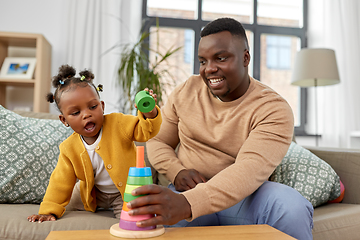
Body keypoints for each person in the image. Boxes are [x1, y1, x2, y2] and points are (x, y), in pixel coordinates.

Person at [124, 18, 313, 240]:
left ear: (245, 57)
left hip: (245, 198)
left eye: (220, 58)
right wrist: (177, 172)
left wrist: (187, 204)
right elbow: (158, 140)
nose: (209, 69)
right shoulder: (185, 92)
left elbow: (249, 168)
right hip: (189, 192)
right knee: (158, 227)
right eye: (203, 61)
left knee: (292, 206)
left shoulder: (273, 108)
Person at [27, 64, 162, 223]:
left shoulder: (118, 123)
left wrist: (150, 113)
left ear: (102, 106)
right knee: (65, 206)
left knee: (132, 221)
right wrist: (48, 211)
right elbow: (60, 182)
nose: (87, 115)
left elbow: (145, 131)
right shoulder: (68, 148)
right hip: (91, 193)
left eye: (93, 106)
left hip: (123, 193)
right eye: (76, 113)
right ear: (64, 120)